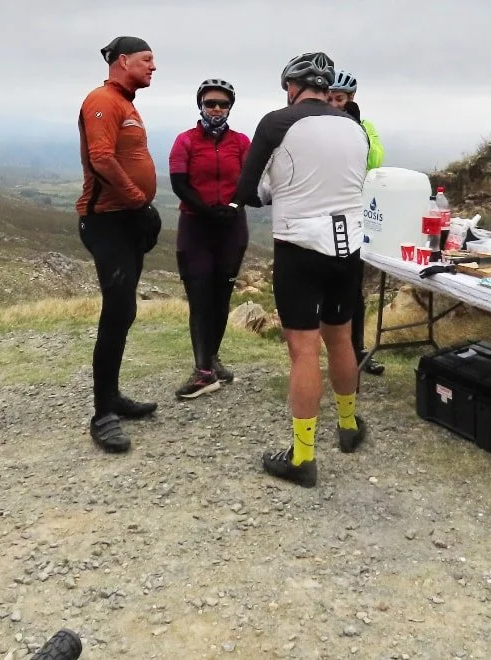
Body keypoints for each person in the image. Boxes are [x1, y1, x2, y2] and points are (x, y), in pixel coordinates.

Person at [229, 52, 370, 488]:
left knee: (304, 351)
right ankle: (348, 426)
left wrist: (276, 187)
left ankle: (303, 457)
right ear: (326, 88)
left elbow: (247, 191)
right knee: (342, 337)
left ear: (292, 86)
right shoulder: (355, 127)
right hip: (349, 246)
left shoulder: (277, 122)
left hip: (299, 246)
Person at [76, 36, 162, 453]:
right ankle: (101, 414)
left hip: (127, 220)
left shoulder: (127, 102)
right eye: (147, 60)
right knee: (117, 310)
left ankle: (111, 397)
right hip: (107, 221)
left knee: (124, 310)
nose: (153, 67)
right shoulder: (102, 100)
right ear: (123, 60)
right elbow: (101, 158)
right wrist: (138, 202)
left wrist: (142, 210)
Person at [168, 78, 251, 399]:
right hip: (195, 228)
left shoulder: (241, 142)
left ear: (230, 107)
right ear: (200, 105)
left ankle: (211, 360)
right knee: (200, 299)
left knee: (221, 298)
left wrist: (232, 206)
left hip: (232, 228)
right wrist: (206, 211)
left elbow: (248, 179)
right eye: (210, 103)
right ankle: (202, 371)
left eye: (223, 104)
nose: (216, 109)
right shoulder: (185, 141)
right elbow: (179, 183)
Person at [329, 69, 386, 377]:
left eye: (340, 99)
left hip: (353, 215)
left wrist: (355, 127)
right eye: (330, 98)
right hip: (324, 214)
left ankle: (359, 350)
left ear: (350, 100)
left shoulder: (364, 125)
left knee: (354, 288)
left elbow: (374, 160)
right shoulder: (318, 125)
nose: (334, 104)